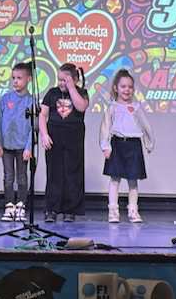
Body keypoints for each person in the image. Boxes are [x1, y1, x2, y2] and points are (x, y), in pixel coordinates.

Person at [99, 69, 155, 223]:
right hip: (117, 144)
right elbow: (105, 127)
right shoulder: (112, 107)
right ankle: (113, 211)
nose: (127, 90)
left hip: (133, 145)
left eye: (130, 87)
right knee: (114, 179)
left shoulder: (136, 107)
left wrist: (149, 143)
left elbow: (145, 126)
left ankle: (133, 211)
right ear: (116, 88)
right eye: (123, 86)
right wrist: (105, 146)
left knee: (133, 180)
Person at [39, 63, 89, 223]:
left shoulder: (81, 93)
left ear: (74, 80)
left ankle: (70, 209)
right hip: (54, 137)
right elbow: (42, 115)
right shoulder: (52, 93)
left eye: (65, 80)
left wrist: (72, 88)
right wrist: (44, 134)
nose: (61, 83)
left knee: (72, 173)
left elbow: (81, 107)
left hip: (74, 138)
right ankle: (52, 209)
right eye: (59, 79)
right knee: (54, 173)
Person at [0, 61, 35, 223]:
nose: (15, 81)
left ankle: (21, 205)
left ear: (28, 79)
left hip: (22, 146)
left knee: (22, 177)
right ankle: (9, 206)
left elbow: (34, 127)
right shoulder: (6, 99)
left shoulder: (31, 101)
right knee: (8, 176)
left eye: (19, 78)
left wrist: (29, 147)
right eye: (13, 78)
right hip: (7, 145)